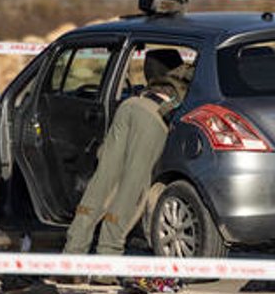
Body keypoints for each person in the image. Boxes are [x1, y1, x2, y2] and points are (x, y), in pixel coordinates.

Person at [62, 48, 190, 264]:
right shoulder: (189, 77)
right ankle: (108, 257)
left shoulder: (159, 78)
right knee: (132, 188)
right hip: (152, 117)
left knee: (102, 182)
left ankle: (71, 255)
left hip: (130, 106)